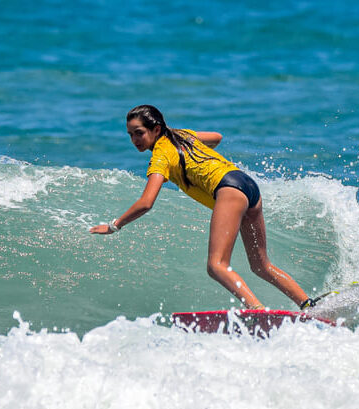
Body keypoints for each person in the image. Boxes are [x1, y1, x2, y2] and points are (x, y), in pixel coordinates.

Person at [90, 104, 320, 311]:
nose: (134, 140)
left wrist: (114, 225)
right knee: (261, 265)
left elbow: (146, 202)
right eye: (130, 135)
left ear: (156, 130)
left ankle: (257, 311)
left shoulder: (161, 155)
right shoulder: (182, 136)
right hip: (247, 185)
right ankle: (308, 304)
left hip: (229, 190)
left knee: (216, 265)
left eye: (139, 133)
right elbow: (217, 137)